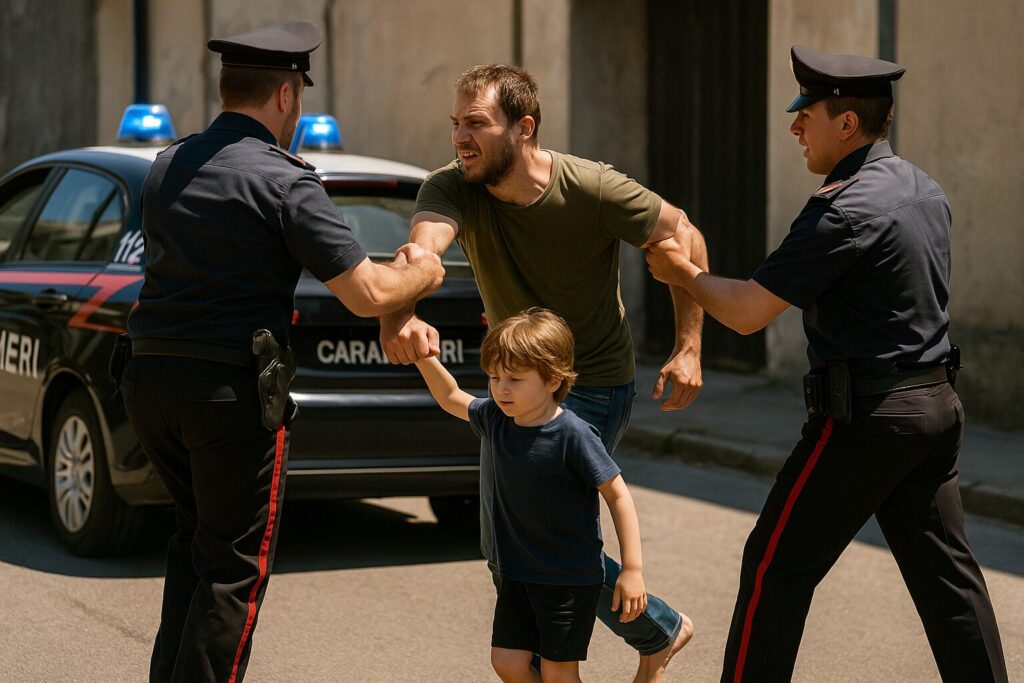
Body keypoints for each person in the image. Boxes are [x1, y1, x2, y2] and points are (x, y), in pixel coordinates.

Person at [646, 45, 1008, 682]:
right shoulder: (925, 189)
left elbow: (750, 310)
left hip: (865, 421)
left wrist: (685, 274)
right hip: (934, 410)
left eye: (804, 114)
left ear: (846, 124)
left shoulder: (842, 209)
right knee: (949, 581)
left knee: (774, 568)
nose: (793, 127)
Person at [118, 22, 444, 683]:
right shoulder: (283, 178)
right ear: (288, 95)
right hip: (227, 396)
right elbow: (368, 292)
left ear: (226, 87)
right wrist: (427, 271)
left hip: (149, 380)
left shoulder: (166, 165)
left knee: (197, 544)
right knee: (236, 567)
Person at [380, 64, 702, 681]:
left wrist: (688, 346)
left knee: (546, 526)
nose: (459, 138)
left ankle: (622, 637)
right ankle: (647, 631)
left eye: (476, 123)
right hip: (514, 380)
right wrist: (400, 311)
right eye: (455, 124)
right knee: (503, 535)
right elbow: (420, 253)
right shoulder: (453, 188)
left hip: (593, 380)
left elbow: (683, 231)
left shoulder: (591, 187)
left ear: (523, 128)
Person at [416, 308, 649, 683]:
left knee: (559, 673)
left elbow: (619, 496)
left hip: (568, 579)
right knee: (507, 663)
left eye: (514, 378)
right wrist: (423, 358)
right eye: (494, 377)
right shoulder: (495, 419)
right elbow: (450, 396)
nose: (501, 388)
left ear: (553, 379)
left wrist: (633, 569)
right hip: (517, 574)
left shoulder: (574, 434)